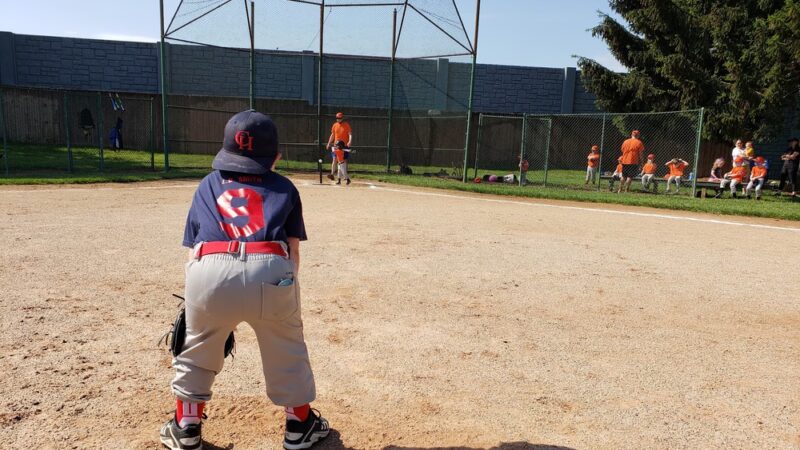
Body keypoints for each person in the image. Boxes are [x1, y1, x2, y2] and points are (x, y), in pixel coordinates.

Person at [160, 110, 329, 450]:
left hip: (209, 267)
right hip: (269, 266)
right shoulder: (285, 187)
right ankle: (299, 425)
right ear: (276, 157)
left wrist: (202, 305)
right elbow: (293, 254)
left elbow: (193, 249)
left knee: (197, 348)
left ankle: (186, 425)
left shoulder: (207, 185)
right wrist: (283, 294)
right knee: (286, 348)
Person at [326, 112, 352, 181]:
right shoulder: (335, 125)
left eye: (340, 118)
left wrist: (349, 141)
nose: (338, 119)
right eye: (337, 118)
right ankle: (332, 174)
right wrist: (329, 143)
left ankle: (345, 175)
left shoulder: (346, 125)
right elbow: (332, 135)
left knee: (344, 161)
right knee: (334, 159)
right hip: (336, 146)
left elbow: (350, 134)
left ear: (342, 118)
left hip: (344, 146)